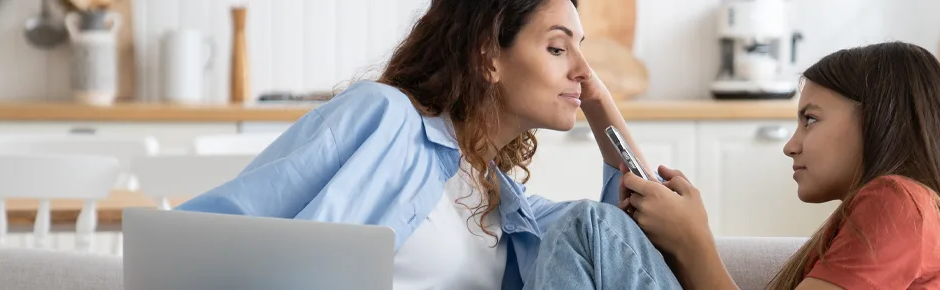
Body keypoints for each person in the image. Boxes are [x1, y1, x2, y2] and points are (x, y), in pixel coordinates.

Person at [174, 0, 681, 289]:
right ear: (489, 56)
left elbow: (633, 234)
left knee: (595, 223)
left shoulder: (513, 210)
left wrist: (599, 104)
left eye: (582, 51)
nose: (583, 70)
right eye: (556, 47)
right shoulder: (384, 117)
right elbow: (213, 231)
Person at [563, 42, 940, 289]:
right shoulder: (898, 207)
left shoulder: (897, 203)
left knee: (589, 227)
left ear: (878, 118)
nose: (790, 146)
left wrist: (693, 241)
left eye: (810, 119)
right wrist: (599, 102)